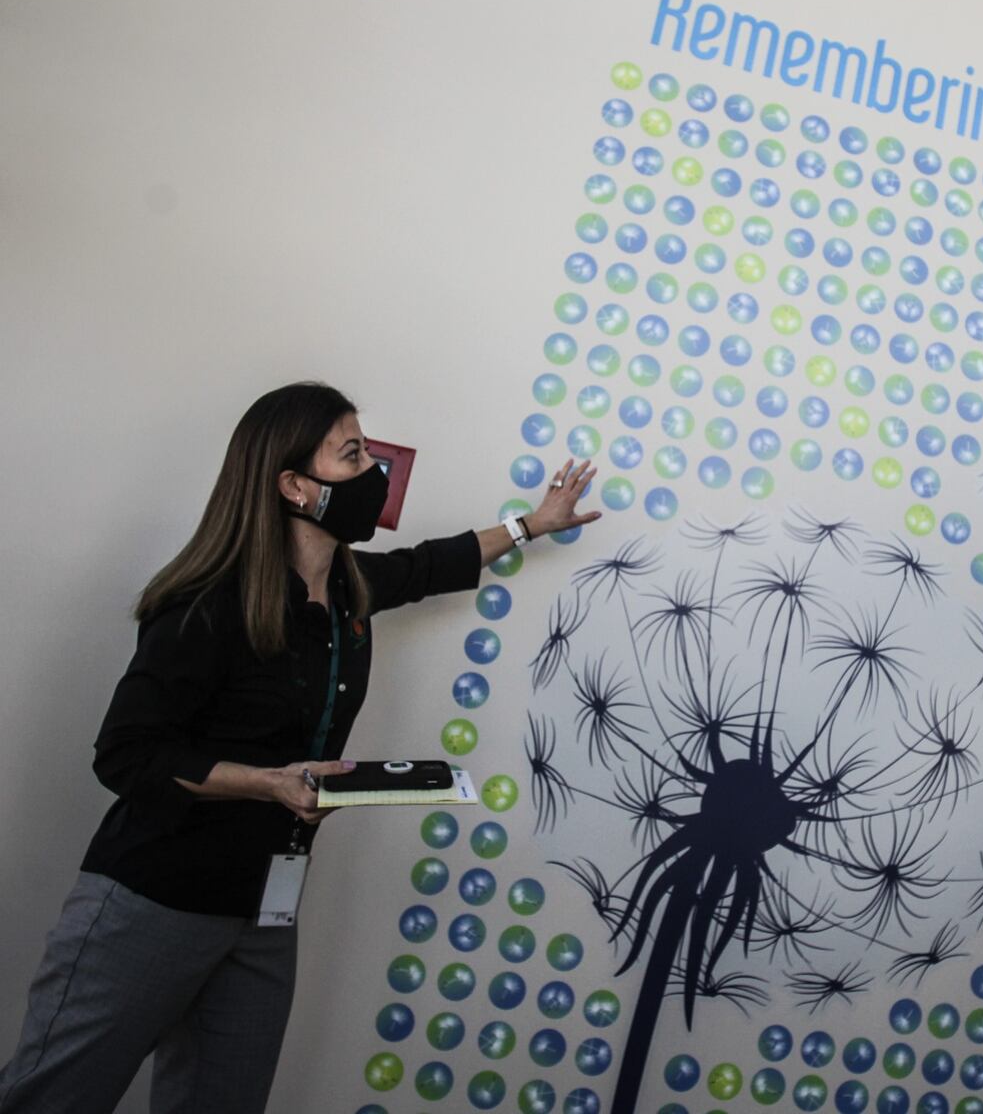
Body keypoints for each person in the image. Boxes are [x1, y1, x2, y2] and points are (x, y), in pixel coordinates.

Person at [0, 382, 600, 1114]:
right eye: (353, 456)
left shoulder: (349, 589)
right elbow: (126, 755)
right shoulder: (208, 603)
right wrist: (268, 784)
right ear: (294, 486)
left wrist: (532, 525)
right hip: (150, 905)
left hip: (264, 914)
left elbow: (429, 565)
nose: (373, 473)